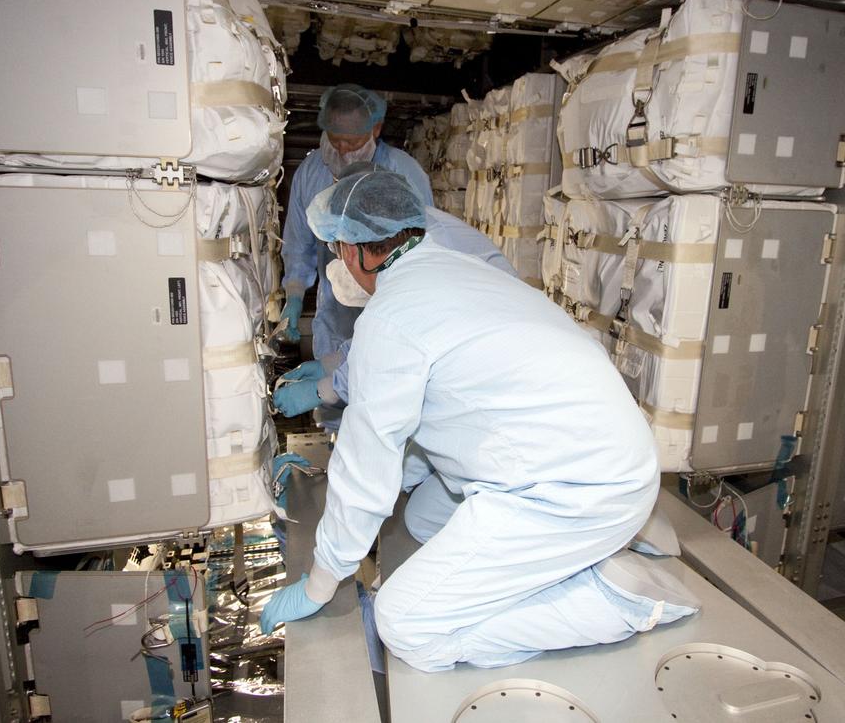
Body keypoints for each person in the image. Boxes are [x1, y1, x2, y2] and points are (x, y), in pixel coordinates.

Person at [260, 171, 698, 672]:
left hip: (572, 491)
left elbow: (366, 469)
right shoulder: (456, 268)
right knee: (425, 519)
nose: (340, 264)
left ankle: (613, 599)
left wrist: (321, 580)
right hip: (608, 455)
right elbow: (439, 396)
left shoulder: (391, 317)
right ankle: (583, 549)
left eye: (338, 251)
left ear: (358, 251)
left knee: (404, 624)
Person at [272, 162, 516, 418]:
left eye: (338, 246)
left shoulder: (425, 255)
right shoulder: (404, 237)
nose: (341, 259)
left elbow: (391, 357)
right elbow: (389, 337)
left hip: (493, 370)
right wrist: (331, 364)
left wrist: (324, 390)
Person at [279, 85, 432, 363]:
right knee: (332, 385)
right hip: (335, 319)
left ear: (376, 130)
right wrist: (294, 297)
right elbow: (298, 242)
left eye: (352, 143)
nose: (342, 150)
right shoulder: (311, 172)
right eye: (335, 140)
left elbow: (423, 246)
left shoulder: (404, 172)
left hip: (391, 311)